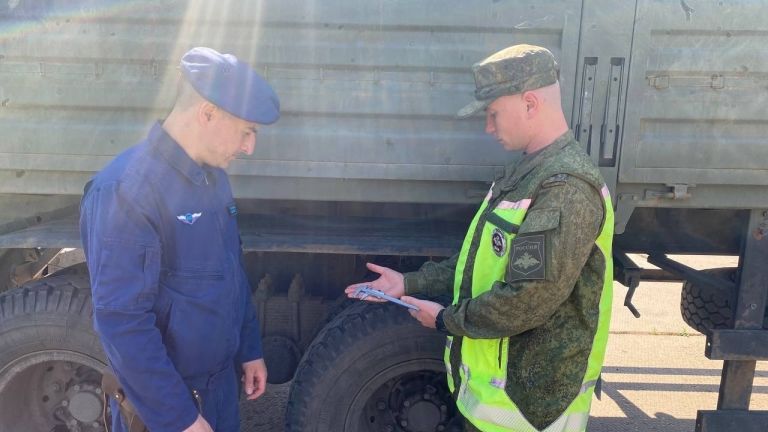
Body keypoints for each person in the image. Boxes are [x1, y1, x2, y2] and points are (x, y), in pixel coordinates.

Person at [346, 44, 614, 432]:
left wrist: (444, 320)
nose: (489, 127)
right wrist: (410, 282)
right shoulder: (529, 174)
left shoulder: (564, 188)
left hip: (530, 411)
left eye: (493, 113)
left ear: (530, 103)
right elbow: (480, 263)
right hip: (503, 403)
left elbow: (527, 299)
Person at [79, 47, 280, 432]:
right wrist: (178, 417)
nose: (249, 147)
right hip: (166, 405)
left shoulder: (213, 178)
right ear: (207, 113)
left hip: (218, 392)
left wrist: (249, 348)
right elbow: (122, 321)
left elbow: (230, 272)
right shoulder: (127, 191)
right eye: (247, 131)